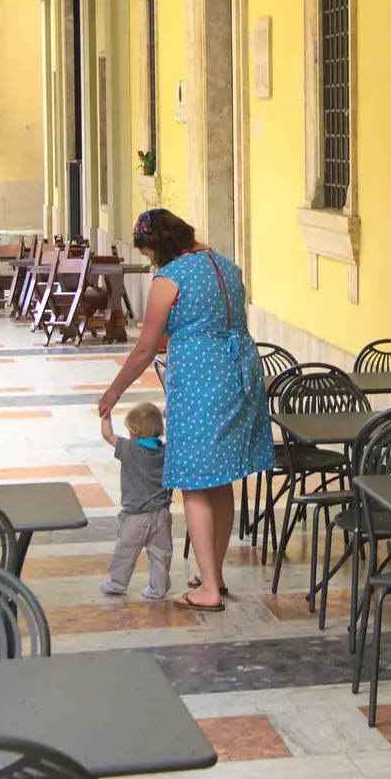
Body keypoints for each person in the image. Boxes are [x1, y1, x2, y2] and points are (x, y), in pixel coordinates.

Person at [98, 209, 274, 612]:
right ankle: (215, 573)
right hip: (240, 376)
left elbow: (145, 348)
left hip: (201, 382)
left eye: (148, 252)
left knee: (195, 481)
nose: (150, 261)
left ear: (159, 246)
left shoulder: (169, 280)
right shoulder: (227, 267)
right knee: (222, 479)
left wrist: (113, 391)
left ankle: (208, 587)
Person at [99, 402, 173, 600]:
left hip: (135, 516)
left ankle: (117, 582)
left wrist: (106, 415)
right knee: (160, 554)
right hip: (161, 514)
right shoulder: (167, 450)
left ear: (133, 431)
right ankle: (157, 589)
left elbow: (108, 436)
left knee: (125, 551)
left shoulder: (129, 449)